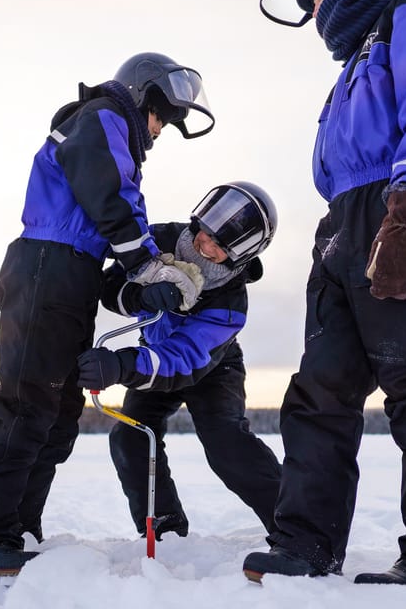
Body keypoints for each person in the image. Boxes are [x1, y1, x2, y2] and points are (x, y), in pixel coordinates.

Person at [244, 0, 406, 587]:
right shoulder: (349, 68)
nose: (318, 9)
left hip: (400, 208)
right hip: (340, 228)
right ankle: (307, 542)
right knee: (319, 393)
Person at [0, 51, 215, 576]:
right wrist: (147, 265)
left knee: (58, 409)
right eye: (162, 118)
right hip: (46, 265)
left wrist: (144, 282)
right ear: (145, 95)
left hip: (70, 272)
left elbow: (117, 205)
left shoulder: (111, 131)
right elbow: (110, 196)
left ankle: (18, 526)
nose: (159, 133)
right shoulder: (101, 119)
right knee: (27, 403)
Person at [76, 181, 283, 542]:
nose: (206, 246)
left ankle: (294, 527)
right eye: (205, 233)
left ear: (242, 253)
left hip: (212, 368)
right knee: (130, 435)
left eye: (220, 246)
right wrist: (140, 295)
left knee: (226, 445)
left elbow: (185, 359)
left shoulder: (230, 304)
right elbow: (110, 288)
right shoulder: (160, 241)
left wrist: (122, 366)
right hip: (155, 357)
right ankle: (165, 529)